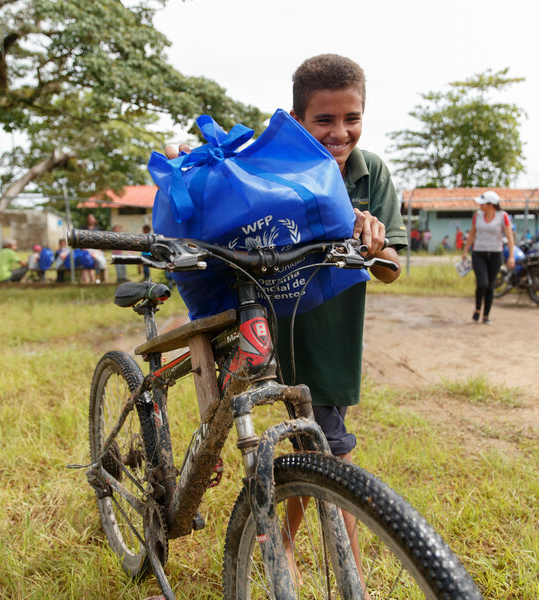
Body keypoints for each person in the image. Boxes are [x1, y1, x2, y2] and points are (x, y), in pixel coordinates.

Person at [169, 54, 405, 588]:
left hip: (330, 340)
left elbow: (390, 270)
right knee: (311, 452)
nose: (339, 132)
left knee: (318, 451)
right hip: (262, 330)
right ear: (297, 120)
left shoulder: (372, 175)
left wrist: (370, 238)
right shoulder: (267, 167)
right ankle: (328, 571)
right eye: (324, 120)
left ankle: (316, 561)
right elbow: (219, 199)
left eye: (352, 118)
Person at [461, 191, 516, 324]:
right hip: (479, 253)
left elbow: (509, 237)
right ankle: (478, 309)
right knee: (482, 283)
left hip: (495, 254)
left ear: (491, 205)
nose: (480, 205)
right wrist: (465, 251)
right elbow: (472, 234)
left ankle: (486, 315)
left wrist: (511, 256)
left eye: (483, 203)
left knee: (490, 286)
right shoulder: (477, 216)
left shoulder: (502, 216)